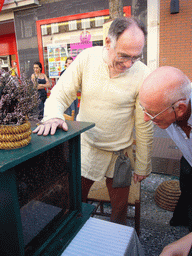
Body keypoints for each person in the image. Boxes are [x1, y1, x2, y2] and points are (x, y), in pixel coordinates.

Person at [33, 17, 153, 225]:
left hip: (120, 154)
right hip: (85, 147)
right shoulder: (87, 58)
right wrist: (53, 115)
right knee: (75, 201)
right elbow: (60, 93)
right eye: (123, 55)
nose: (128, 64)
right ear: (108, 42)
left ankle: (116, 245)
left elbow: (143, 124)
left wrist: (143, 164)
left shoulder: (142, 73)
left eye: (135, 57)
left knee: (120, 208)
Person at [139, 66, 192, 231]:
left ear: (180, 109)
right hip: (188, 160)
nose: (146, 118)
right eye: (144, 110)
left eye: (152, 114)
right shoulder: (169, 107)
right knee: (187, 191)